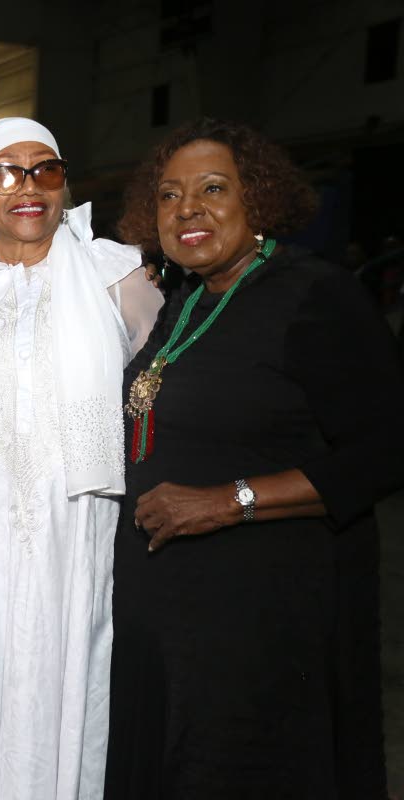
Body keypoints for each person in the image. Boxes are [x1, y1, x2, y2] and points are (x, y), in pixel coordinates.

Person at [104, 119, 404, 799]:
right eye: (170, 196)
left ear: (258, 200)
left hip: (261, 621)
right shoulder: (183, 301)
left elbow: (385, 449)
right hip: (171, 621)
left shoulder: (313, 294)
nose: (189, 209)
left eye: (214, 188)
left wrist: (229, 501)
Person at [0, 118, 163, 800]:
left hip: (73, 539)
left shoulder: (116, 276)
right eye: (4, 172)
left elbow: (172, 384)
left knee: (63, 677)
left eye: (45, 169)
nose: (28, 187)